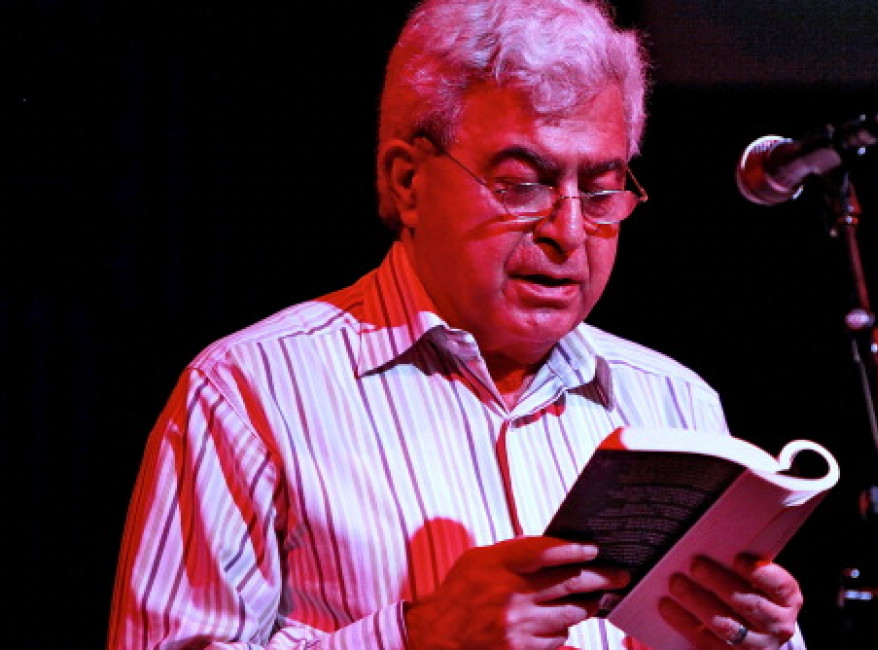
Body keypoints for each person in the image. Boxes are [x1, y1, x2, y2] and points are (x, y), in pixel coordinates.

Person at [107, 0, 808, 648]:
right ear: (409, 183)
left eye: (600, 191)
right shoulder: (250, 392)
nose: (568, 231)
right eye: (520, 183)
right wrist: (419, 636)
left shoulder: (675, 402)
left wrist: (759, 639)